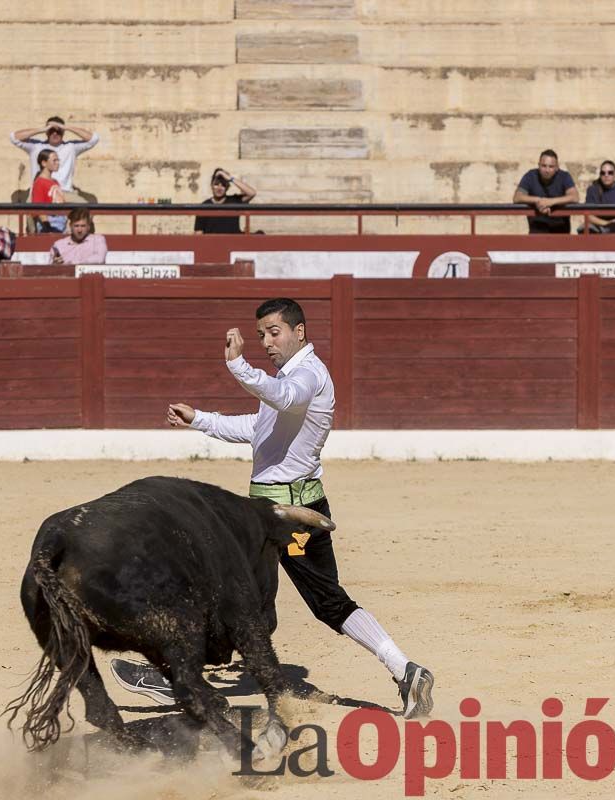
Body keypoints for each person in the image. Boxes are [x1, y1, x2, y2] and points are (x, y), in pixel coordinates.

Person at [110, 298, 436, 720]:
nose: (266, 341)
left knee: (213, 583)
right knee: (325, 603)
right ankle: (405, 670)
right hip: (298, 506)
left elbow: (283, 397)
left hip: (278, 515)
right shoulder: (292, 377)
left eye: (273, 332)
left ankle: (176, 676)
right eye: (262, 334)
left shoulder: (308, 376)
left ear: (299, 332)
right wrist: (199, 419)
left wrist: (239, 366)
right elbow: (255, 428)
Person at [10, 116, 100, 203]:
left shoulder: (71, 147)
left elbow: (93, 139)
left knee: (86, 210)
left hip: (65, 192)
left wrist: (66, 127)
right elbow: (14, 137)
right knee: (32, 211)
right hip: (40, 191)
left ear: (63, 132)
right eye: (51, 130)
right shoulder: (36, 147)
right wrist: (42, 129)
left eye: (58, 131)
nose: (55, 133)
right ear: (47, 132)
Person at [513, 149, 578, 234]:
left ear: (557, 168)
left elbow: (574, 197)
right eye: (544, 166)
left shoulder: (564, 176)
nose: (547, 170)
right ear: (538, 165)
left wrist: (551, 202)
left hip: (561, 229)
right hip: (537, 228)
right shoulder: (531, 176)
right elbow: (517, 197)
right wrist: (539, 201)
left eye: (551, 166)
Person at [194, 168, 256, 234]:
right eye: (216, 184)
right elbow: (198, 234)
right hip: (213, 243)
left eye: (223, 185)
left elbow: (252, 193)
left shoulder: (234, 201)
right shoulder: (203, 207)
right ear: (211, 186)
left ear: (227, 188)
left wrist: (230, 179)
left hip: (233, 243)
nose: (219, 188)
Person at [31, 150, 66, 233]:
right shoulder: (39, 182)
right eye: (54, 160)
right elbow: (38, 207)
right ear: (44, 163)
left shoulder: (55, 181)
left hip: (61, 220)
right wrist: (47, 226)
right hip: (50, 221)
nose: (57, 163)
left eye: (58, 160)